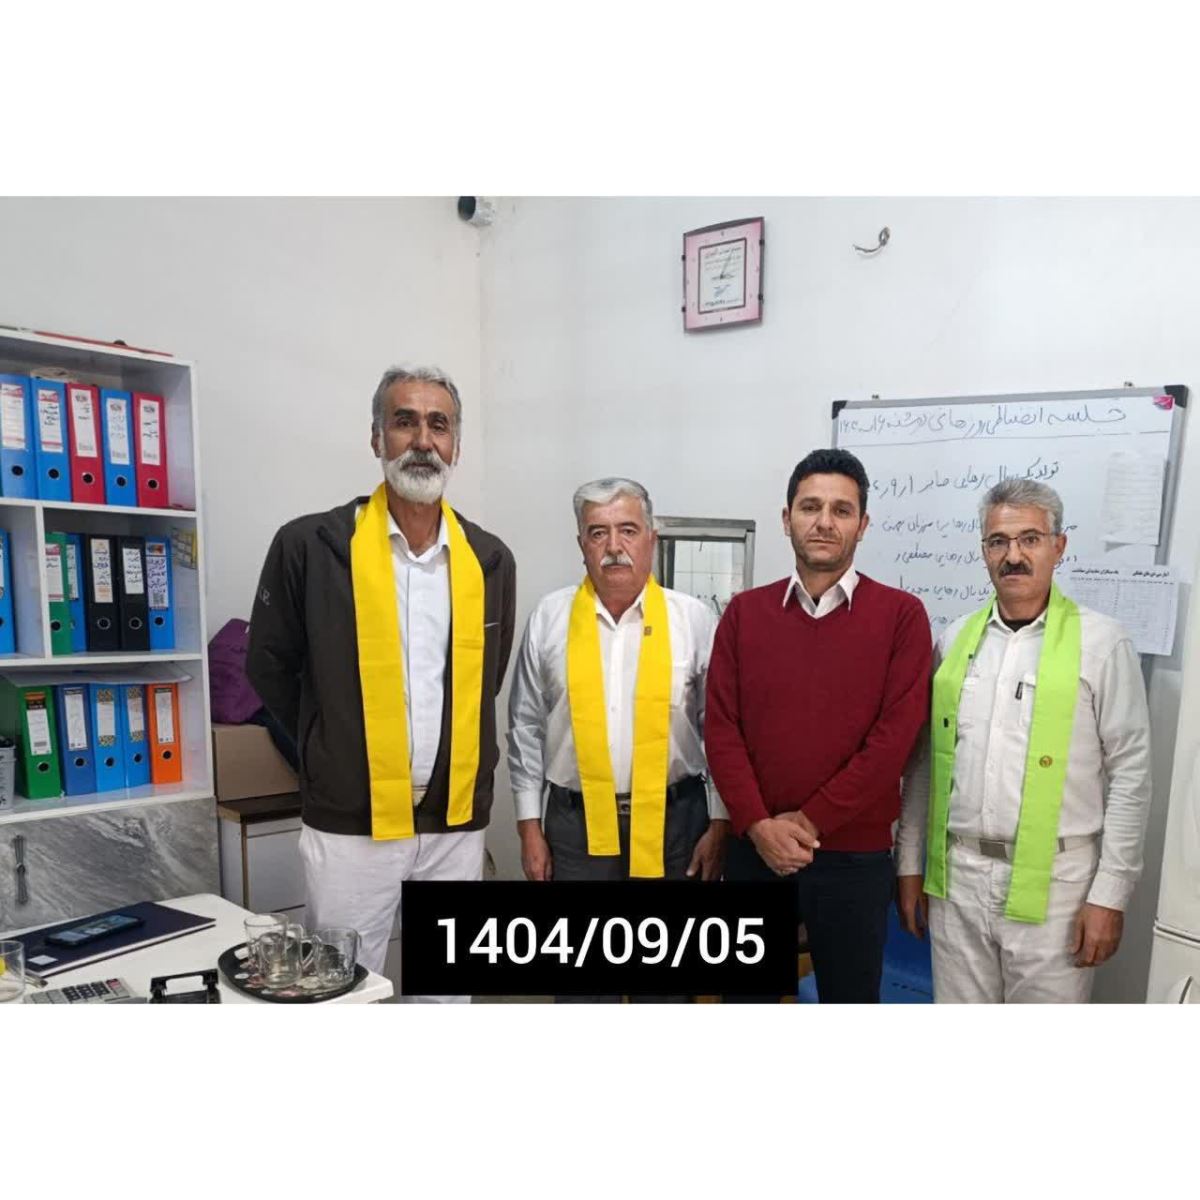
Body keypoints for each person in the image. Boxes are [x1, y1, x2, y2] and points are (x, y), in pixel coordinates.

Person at [246, 365, 516, 1000]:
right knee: (343, 993)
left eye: (438, 425)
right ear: (376, 438)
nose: (423, 440)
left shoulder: (489, 558)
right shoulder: (311, 546)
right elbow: (269, 665)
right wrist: (328, 741)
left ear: (456, 445)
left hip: (453, 820)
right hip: (352, 821)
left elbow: (487, 678)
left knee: (446, 995)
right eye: (404, 421)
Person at [895, 478, 1152, 1003]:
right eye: (999, 542)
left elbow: (1132, 774)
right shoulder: (955, 641)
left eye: (1030, 539)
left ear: (1059, 546)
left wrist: (1110, 894)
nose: (1013, 556)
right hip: (959, 881)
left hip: (1058, 888)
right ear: (984, 551)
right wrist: (909, 863)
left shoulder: (1102, 643)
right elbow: (925, 765)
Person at [705, 448, 932, 1002]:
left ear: (863, 524)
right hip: (754, 852)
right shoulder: (743, 614)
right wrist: (758, 826)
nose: (824, 522)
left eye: (841, 510)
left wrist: (806, 822)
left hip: (855, 861)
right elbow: (721, 729)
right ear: (787, 519)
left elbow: (893, 742)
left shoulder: (902, 616)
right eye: (810, 507)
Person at [507, 477, 729, 896]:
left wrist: (720, 822)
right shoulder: (549, 619)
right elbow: (525, 728)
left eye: (628, 530)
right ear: (582, 545)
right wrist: (528, 827)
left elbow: (720, 730)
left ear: (651, 539)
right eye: (598, 533)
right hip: (574, 829)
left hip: (677, 824)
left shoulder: (695, 620)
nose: (613, 546)